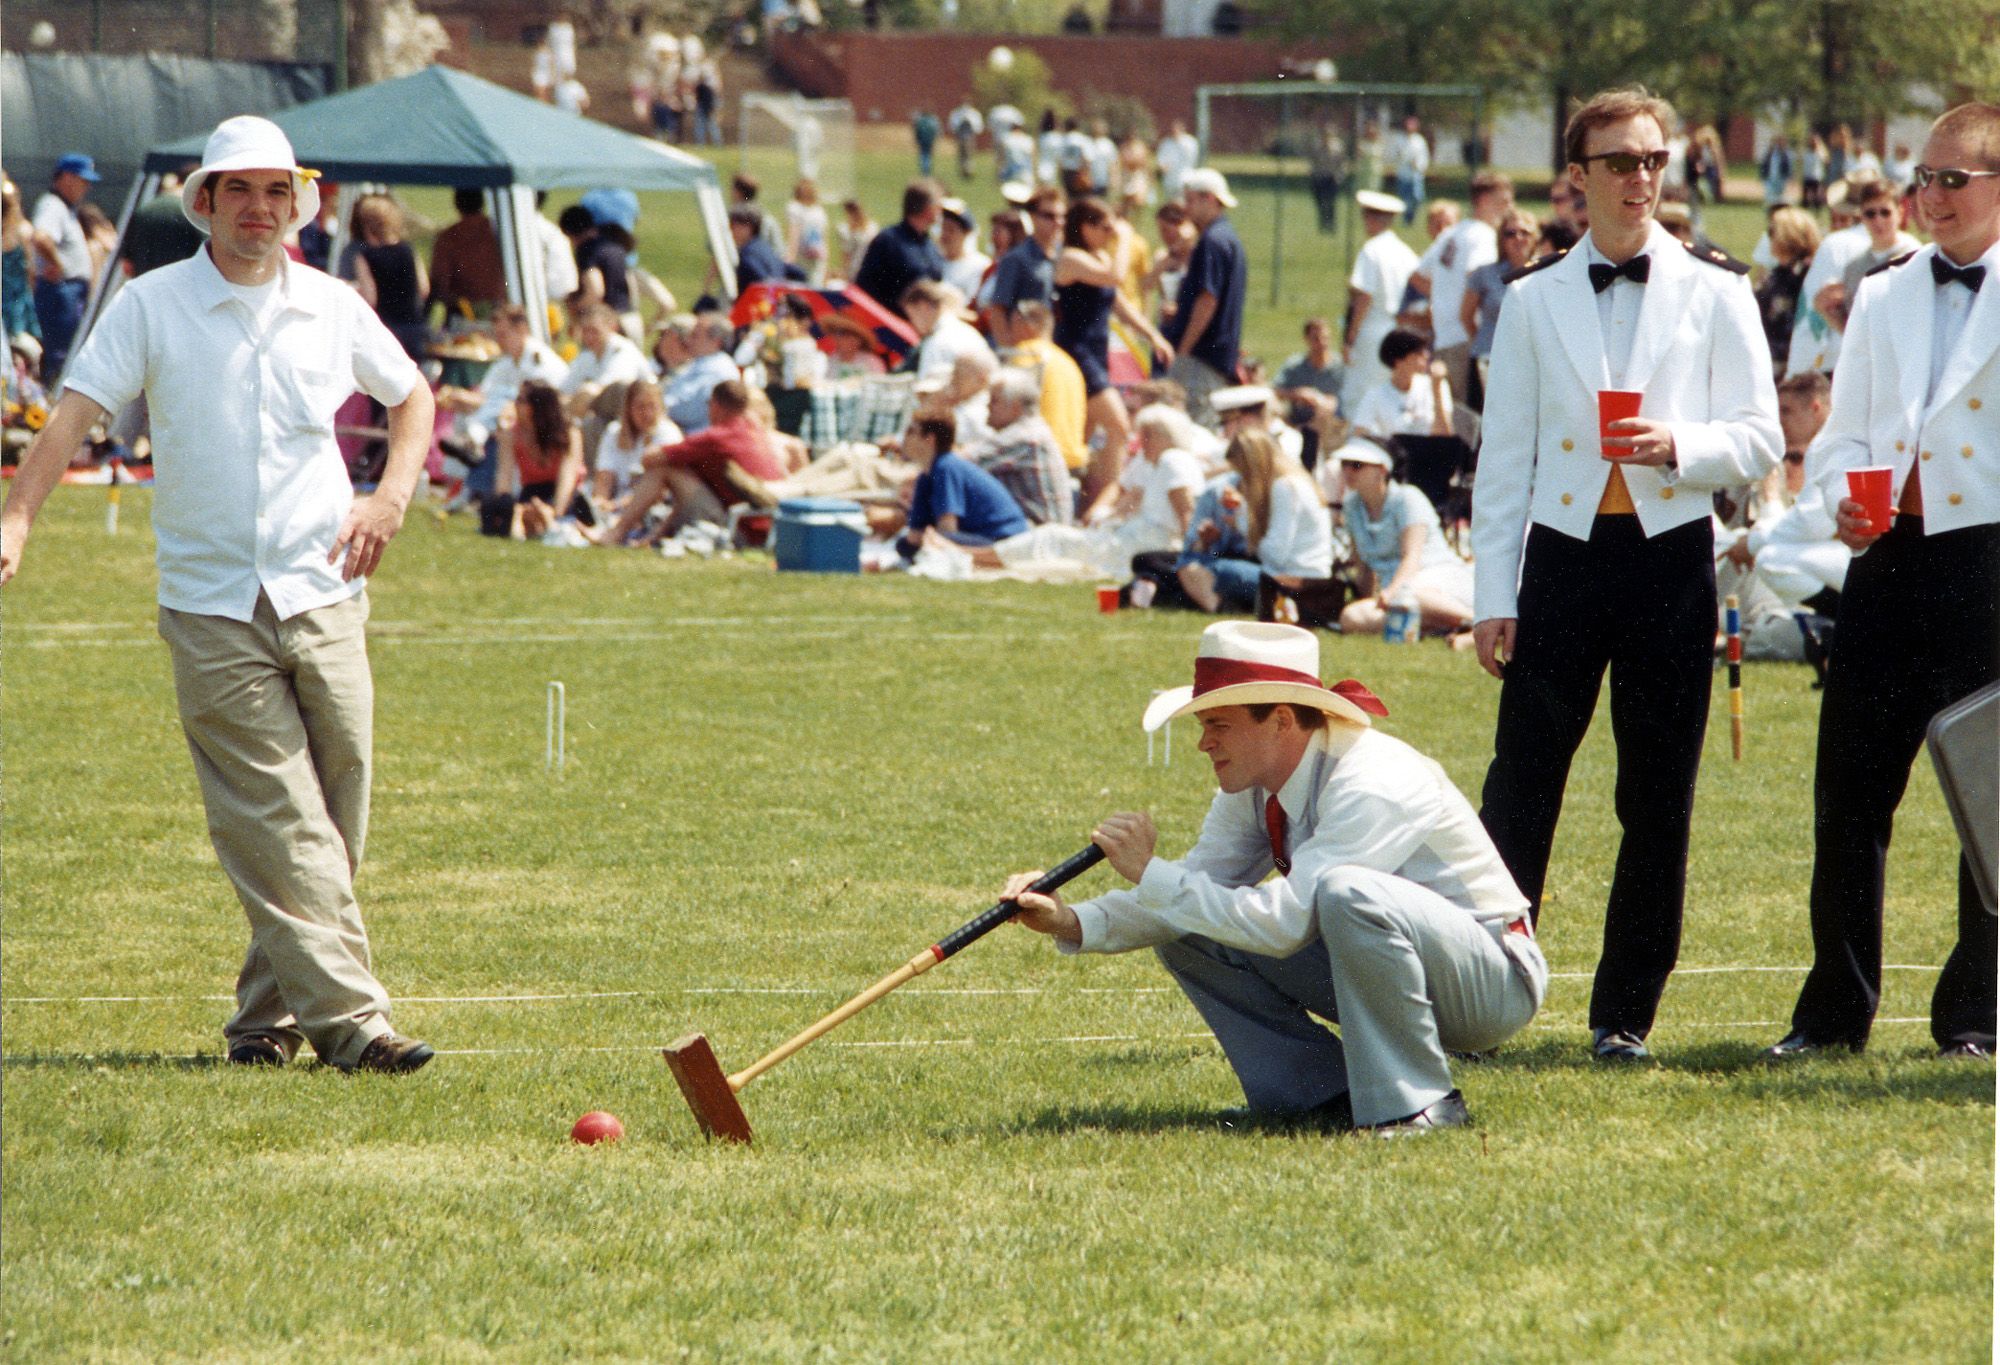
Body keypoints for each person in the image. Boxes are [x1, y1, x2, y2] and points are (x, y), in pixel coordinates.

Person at [0, 114, 437, 1072]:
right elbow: (75, 413)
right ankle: (357, 1026)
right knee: (278, 818)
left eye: (276, 191)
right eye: (238, 190)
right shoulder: (153, 305)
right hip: (210, 604)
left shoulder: (330, 304)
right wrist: (18, 516)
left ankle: (261, 1023)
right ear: (204, 202)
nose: (258, 208)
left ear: (296, 205)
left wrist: (391, 495)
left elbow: (412, 398)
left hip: (327, 590)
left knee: (336, 815)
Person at [1470, 87, 1781, 1063]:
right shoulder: (1529, 299)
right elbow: (1500, 467)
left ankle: (1623, 1016)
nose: (1638, 178)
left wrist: (1678, 445)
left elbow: (1760, 437)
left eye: (1652, 160)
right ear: (1578, 177)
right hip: (1558, 562)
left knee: (1655, 794)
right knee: (1520, 785)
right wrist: (1490, 599)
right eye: (1617, 162)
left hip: (1669, 564)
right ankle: (1479, 989)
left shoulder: (1717, 289)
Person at [1002, 621, 1545, 1133]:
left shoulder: (1374, 779)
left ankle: (1419, 1105)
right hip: (1385, 968)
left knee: (1343, 890)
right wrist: (1066, 920)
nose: (1203, 743)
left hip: (1491, 985)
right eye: (1203, 726)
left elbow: (1285, 926)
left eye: (1219, 724)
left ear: (1282, 720)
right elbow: (1194, 887)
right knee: (1184, 917)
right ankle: (1316, 1096)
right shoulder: (1252, 784)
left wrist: (1151, 873)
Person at [1764, 103, 2000, 1064]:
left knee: (1988, 801)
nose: (1931, 198)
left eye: (1954, 180)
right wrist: (1839, 506)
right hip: (1886, 566)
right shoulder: (1885, 291)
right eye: (1924, 179)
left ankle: (1977, 1016)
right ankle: (1831, 1013)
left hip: (1988, 565)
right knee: (1850, 793)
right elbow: (1843, 437)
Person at [1054, 197, 1173, 502]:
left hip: (1097, 352)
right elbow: (1116, 277)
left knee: (1082, 435)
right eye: (1104, 227)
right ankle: (1106, 497)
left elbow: (1117, 303)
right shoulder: (1070, 258)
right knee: (1119, 425)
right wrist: (1125, 238)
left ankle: (1079, 498)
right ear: (1085, 227)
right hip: (1076, 353)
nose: (1110, 233)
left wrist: (1152, 335)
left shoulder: (1100, 259)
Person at [597, 378, 787, 543]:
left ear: (716, 405)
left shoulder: (717, 437)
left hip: (744, 527)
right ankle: (651, 536)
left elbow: (651, 458)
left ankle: (616, 533)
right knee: (683, 472)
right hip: (772, 524)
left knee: (664, 469)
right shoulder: (755, 432)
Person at [1177, 428, 1331, 613]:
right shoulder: (1297, 482)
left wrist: (1241, 523)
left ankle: (1221, 607)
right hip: (1307, 577)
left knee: (1191, 563)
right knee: (1196, 562)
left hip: (1294, 581)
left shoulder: (1285, 487)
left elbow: (1275, 556)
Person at [1332, 437, 1473, 637]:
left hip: (1437, 577)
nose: (1347, 471)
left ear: (1382, 470)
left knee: (1411, 597)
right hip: (1397, 593)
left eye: (1356, 465)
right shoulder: (1352, 505)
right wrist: (1366, 599)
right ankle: (1441, 626)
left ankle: (1474, 621)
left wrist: (1391, 593)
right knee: (1351, 617)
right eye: (1344, 464)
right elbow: (1363, 565)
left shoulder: (1408, 498)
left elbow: (1412, 558)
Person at [435, 303, 566, 501]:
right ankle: (463, 481)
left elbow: (540, 404)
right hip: (510, 418)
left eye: (504, 335)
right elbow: (485, 397)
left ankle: (473, 442)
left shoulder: (540, 361)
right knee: (474, 411)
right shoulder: (505, 363)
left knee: (505, 398)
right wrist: (460, 398)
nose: (499, 341)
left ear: (521, 330)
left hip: (544, 421)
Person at [1412, 170, 1511, 405]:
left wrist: (1444, 296)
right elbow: (1475, 277)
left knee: (1453, 414)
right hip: (1468, 339)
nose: (1509, 208)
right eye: (1504, 201)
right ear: (1485, 200)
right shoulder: (1483, 235)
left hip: (1444, 336)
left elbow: (1417, 276)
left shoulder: (1450, 233)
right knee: (1469, 421)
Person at [1163, 169, 1248, 425]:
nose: (1185, 209)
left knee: (1196, 430)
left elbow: (1207, 300)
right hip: (1217, 358)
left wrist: (1185, 350)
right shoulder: (1229, 238)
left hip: (1202, 357)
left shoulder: (1212, 241)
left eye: (1190, 201)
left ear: (1209, 199)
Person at [958, 367, 1076, 529]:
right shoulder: (1027, 430)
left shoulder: (1025, 435)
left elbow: (957, 464)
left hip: (1038, 536)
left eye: (994, 401)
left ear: (1014, 407)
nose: (987, 406)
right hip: (1032, 531)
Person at [897, 411, 1027, 557]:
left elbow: (947, 528)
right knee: (907, 543)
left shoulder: (946, 467)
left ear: (930, 439)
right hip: (976, 537)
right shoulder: (925, 476)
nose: (904, 439)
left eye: (911, 432)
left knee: (934, 542)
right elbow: (915, 534)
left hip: (1003, 538)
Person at [1340, 190, 1420, 419]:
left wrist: (1350, 338)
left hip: (1372, 329)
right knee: (1389, 393)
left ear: (1371, 218)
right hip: (1398, 330)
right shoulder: (1405, 252)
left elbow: (1364, 297)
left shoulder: (1371, 250)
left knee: (1360, 394)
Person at [29, 153, 100, 380]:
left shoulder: (63, 207)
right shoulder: (53, 205)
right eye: (84, 180)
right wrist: (56, 264)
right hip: (61, 292)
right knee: (63, 355)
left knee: (70, 352)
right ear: (67, 177)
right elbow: (41, 237)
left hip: (68, 292)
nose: (87, 187)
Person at [1819, 178, 1922, 335]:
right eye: (1870, 214)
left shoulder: (1915, 257)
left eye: (1885, 212)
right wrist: (1827, 311)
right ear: (1862, 217)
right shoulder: (1853, 268)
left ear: (1900, 213)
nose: (1878, 220)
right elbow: (1852, 333)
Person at [1004, 299, 1089, 480]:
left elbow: (1008, 400)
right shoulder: (1068, 362)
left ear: (1024, 324)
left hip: (1037, 459)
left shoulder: (1027, 353)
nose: (1008, 332)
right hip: (1070, 460)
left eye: (1011, 324)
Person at [491, 379, 589, 536]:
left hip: (567, 494)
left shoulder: (569, 433)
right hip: (532, 491)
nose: (515, 404)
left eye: (521, 400)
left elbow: (568, 477)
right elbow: (504, 475)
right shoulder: (511, 435)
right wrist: (506, 507)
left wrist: (555, 512)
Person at [1462, 206, 1538, 409]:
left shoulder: (1545, 274)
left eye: (1525, 232)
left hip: (1529, 362)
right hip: (1488, 358)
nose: (1518, 238)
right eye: (1510, 233)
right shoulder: (1484, 274)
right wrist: (1484, 341)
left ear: (1535, 238)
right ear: (1501, 239)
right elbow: (1465, 316)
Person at [350, 193, 429, 361]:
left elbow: (370, 298)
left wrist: (352, 290)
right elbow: (423, 289)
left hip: (385, 330)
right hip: (413, 328)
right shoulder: (409, 250)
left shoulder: (365, 256)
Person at [852, 180, 945, 320]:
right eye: (938, 206)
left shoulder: (930, 244)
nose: (941, 211)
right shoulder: (888, 241)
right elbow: (863, 290)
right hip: (892, 330)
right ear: (928, 208)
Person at [981, 186, 1064, 333]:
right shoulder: (1016, 259)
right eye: (1049, 216)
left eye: (1062, 216)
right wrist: (1010, 351)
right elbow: (998, 311)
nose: (1058, 222)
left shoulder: (1064, 256)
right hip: (1024, 346)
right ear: (1032, 217)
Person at [1351, 329, 1454, 440]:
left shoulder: (1437, 384)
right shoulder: (1375, 395)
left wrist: (1436, 389)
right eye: (1418, 352)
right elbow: (1359, 436)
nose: (1427, 355)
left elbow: (1445, 438)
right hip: (1395, 454)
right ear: (1398, 360)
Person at [593, 376, 681, 505]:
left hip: (647, 507)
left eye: (652, 406)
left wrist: (615, 506)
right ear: (628, 409)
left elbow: (659, 489)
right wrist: (601, 503)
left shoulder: (668, 433)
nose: (647, 413)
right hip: (615, 503)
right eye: (640, 407)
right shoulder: (614, 432)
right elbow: (604, 479)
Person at [559, 300, 650, 421]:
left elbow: (601, 391)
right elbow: (563, 392)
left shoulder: (623, 350)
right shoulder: (586, 356)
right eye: (585, 331)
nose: (589, 337)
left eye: (594, 331)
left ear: (612, 327)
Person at [1754, 206, 1820, 368]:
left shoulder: (1808, 273)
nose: (1769, 238)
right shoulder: (1778, 273)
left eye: (1772, 232)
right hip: (1772, 356)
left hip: (1797, 360)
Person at [428, 187, 506, 318]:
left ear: (456, 204)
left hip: (462, 313)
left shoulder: (449, 237)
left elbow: (440, 283)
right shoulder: (500, 234)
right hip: (499, 311)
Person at [658, 312, 740, 431]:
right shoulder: (701, 363)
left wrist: (651, 404)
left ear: (716, 342)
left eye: (695, 335)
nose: (688, 340)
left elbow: (686, 411)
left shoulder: (718, 370)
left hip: (697, 442)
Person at [729, 206, 799, 293]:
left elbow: (763, 281)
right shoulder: (765, 247)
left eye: (733, 226)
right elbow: (798, 273)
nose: (730, 231)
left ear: (747, 228)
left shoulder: (748, 254)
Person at [936, 198, 990, 304]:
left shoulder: (980, 266)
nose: (945, 235)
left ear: (965, 234)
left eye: (951, 230)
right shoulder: (933, 259)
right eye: (943, 228)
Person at [785, 179, 831, 286]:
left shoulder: (794, 208)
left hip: (804, 258)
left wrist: (789, 259)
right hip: (815, 257)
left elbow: (793, 234)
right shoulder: (819, 211)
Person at [1389, 116, 1430, 224]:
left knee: (1418, 197)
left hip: (1416, 173)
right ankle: (1406, 219)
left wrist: (1420, 166)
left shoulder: (1419, 140)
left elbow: (1424, 156)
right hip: (1403, 173)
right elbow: (1394, 154)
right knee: (1404, 198)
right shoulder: (1399, 139)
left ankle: (1411, 214)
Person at [1156, 119, 1199, 202]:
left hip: (1186, 177)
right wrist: (1162, 166)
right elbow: (1161, 160)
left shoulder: (1190, 142)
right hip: (1170, 179)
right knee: (1171, 202)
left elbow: (1192, 159)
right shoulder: (1166, 143)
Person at [837, 198, 877, 282]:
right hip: (854, 270)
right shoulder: (845, 230)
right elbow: (846, 254)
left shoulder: (872, 227)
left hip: (869, 268)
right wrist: (845, 271)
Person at [948, 99, 984, 179]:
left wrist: (970, 123)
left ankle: (969, 171)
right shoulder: (957, 113)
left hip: (970, 136)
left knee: (969, 154)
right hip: (960, 136)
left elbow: (978, 126)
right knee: (961, 155)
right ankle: (962, 171)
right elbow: (953, 124)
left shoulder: (974, 114)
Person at [912, 108, 940, 178]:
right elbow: (937, 131)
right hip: (930, 140)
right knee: (929, 155)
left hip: (922, 140)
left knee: (923, 155)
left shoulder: (920, 121)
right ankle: (928, 169)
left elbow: (917, 131)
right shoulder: (933, 121)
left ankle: (924, 169)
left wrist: (917, 140)